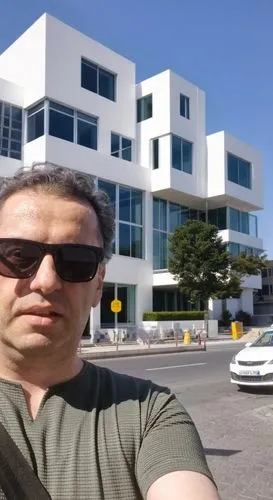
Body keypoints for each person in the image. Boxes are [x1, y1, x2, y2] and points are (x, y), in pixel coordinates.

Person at [0, 163, 220, 500]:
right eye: (18, 255)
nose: (46, 281)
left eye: (75, 261)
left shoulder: (150, 412)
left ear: (98, 284)